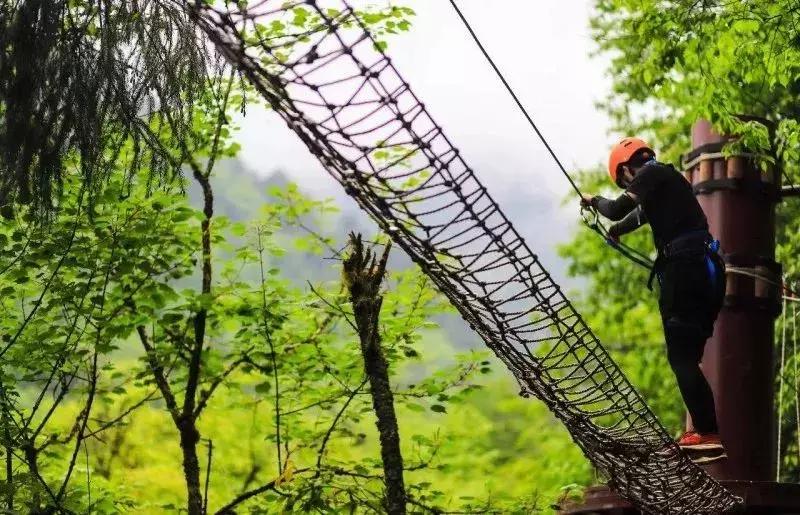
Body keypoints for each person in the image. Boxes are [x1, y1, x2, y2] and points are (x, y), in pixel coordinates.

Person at [581, 137, 727, 463]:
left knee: (681, 359)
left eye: (622, 180)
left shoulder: (651, 172)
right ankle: (707, 432)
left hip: (686, 270)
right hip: (706, 272)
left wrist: (594, 201)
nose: (626, 184)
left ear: (625, 169)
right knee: (686, 357)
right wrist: (616, 230)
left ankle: (706, 431)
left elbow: (619, 207)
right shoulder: (667, 182)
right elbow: (636, 216)